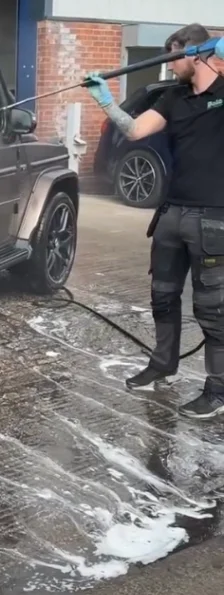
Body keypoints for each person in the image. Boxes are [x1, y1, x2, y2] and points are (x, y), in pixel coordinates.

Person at [86, 23, 224, 420]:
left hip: (213, 220)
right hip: (171, 213)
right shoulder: (173, 98)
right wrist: (106, 102)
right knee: (162, 297)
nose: (170, 64)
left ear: (196, 53)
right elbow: (134, 130)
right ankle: (163, 364)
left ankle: (217, 389)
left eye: (174, 54)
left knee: (213, 309)